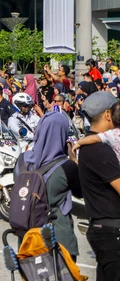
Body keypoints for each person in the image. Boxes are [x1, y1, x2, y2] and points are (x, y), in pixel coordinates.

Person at [15, 111, 82, 259]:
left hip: (28, 240)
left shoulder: (22, 161)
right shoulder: (67, 167)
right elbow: (81, 192)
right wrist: (74, 160)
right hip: (58, 240)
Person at [76, 91, 120, 280]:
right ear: (108, 114)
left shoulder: (93, 144)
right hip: (112, 232)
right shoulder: (99, 150)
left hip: (105, 230)